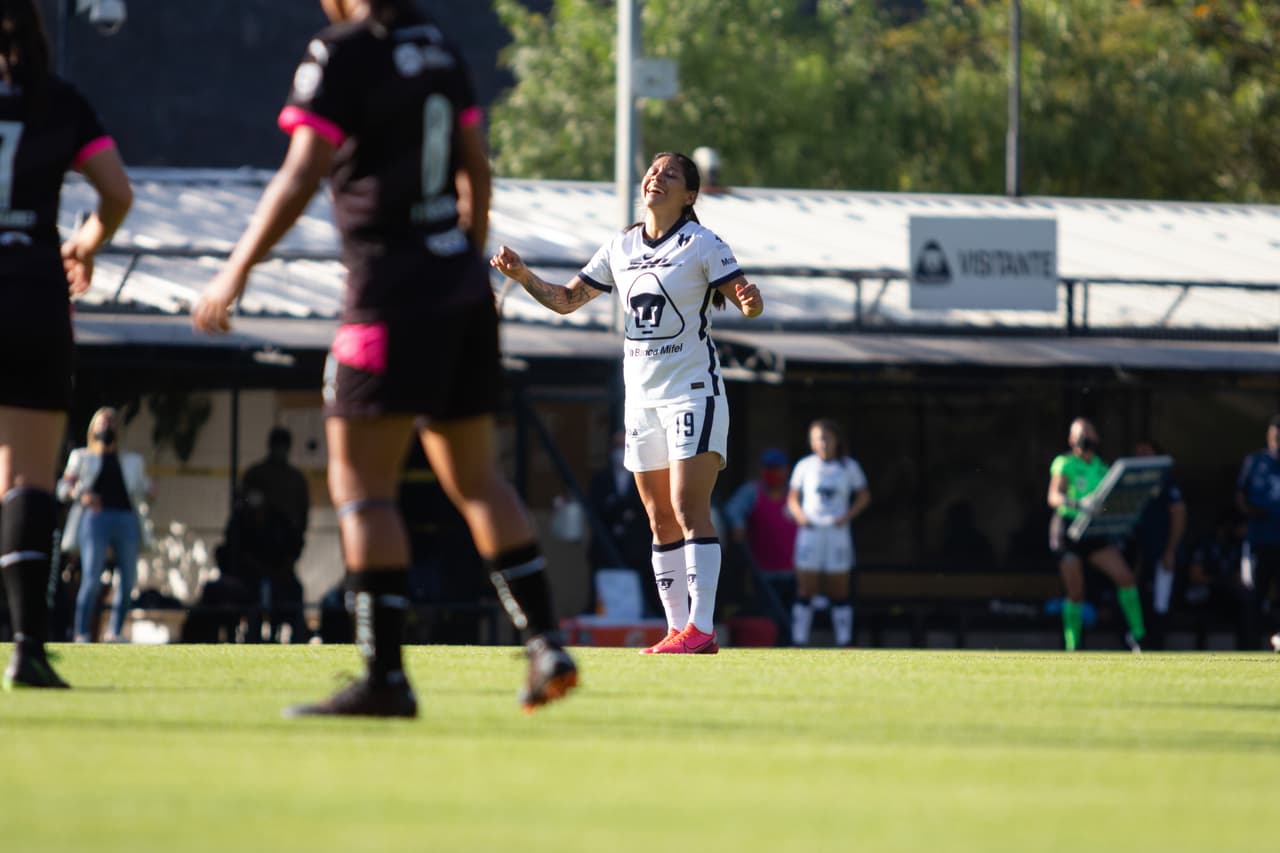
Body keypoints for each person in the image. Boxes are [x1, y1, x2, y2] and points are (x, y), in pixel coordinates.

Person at [192, 0, 577, 717]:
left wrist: (234, 270)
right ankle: (546, 641)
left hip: (386, 292)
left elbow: (301, 171)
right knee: (477, 480)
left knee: (363, 487)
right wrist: (463, 259)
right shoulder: (439, 47)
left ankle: (385, 677)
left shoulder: (340, 52)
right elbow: (476, 172)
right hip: (459, 289)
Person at [491, 151, 765, 655]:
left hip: (692, 391)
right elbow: (567, 300)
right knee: (659, 517)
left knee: (687, 506)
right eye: (653, 171)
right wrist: (524, 276)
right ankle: (678, 629)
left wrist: (750, 299)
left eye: (671, 174)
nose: (656, 178)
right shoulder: (620, 245)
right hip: (640, 400)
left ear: (690, 196)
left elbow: (746, 297)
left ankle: (703, 628)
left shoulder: (701, 243)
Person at [0, 0, 132, 688]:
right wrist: (84, 242)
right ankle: (26, 647)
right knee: (25, 478)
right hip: (30, 294)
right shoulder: (59, 101)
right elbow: (115, 191)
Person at [1047, 417, 1146, 652]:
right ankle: (1074, 646)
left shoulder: (1102, 467)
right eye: (1079, 434)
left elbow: (1109, 503)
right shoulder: (1064, 463)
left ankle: (1139, 637)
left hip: (1093, 531)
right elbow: (1054, 497)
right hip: (1068, 530)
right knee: (1076, 593)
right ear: (1071, 440)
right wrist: (1078, 503)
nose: (1084, 438)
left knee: (1125, 577)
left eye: (1088, 433)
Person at [59, 407, 153, 643]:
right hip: (95, 519)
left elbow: (144, 489)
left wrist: (151, 490)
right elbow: (64, 488)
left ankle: (115, 631)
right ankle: (81, 632)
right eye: (102, 423)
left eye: (111, 423)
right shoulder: (81, 457)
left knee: (128, 577)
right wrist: (81, 494)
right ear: (93, 428)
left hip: (125, 519)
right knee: (91, 576)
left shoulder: (132, 461)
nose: (107, 427)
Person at [786, 419, 870, 647]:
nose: (822, 443)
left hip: (837, 532)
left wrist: (847, 516)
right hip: (811, 531)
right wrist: (801, 516)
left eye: (826, 438)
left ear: (836, 440)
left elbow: (863, 496)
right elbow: (792, 498)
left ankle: (844, 640)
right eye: (817, 439)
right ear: (812, 443)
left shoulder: (848, 467)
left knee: (839, 588)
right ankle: (799, 640)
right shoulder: (805, 466)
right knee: (806, 588)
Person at [238, 426, 310, 641]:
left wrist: (287, 561)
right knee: (255, 606)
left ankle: (292, 639)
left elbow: (301, 526)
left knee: (291, 602)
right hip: (256, 564)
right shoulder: (257, 475)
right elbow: (242, 523)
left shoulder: (295, 480)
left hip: (282, 563)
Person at [724, 448, 797, 628]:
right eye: (770, 468)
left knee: (794, 615)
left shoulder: (795, 494)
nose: (775, 473)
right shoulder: (752, 492)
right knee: (769, 616)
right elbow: (732, 511)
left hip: (796, 570)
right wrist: (738, 525)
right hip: (764, 570)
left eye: (778, 468)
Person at [586, 429, 653, 612]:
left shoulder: (645, 477)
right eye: (617, 446)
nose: (620, 451)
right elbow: (595, 509)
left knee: (641, 597)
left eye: (624, 446)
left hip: (638, 552)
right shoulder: (601, 479)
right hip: (606, 551)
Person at [1128, 437, 1185, 649]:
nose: (1141, 455)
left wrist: (1170, 549)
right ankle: (1139, 643)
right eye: (1138, 451)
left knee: (1160, 603)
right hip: (1140, 553)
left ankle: (1157, 646)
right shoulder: (1132, 479)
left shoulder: (1165, 479)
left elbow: (1178, 514)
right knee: (1137, 598)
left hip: (1162, 552)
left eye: (1146, 451)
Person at [1233, 414, 1280, 650]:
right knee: (1252, 595)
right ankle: (1248, 647)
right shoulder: (1256, 461)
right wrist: (1250, 511)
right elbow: (1240, 495)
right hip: (1259, 541)